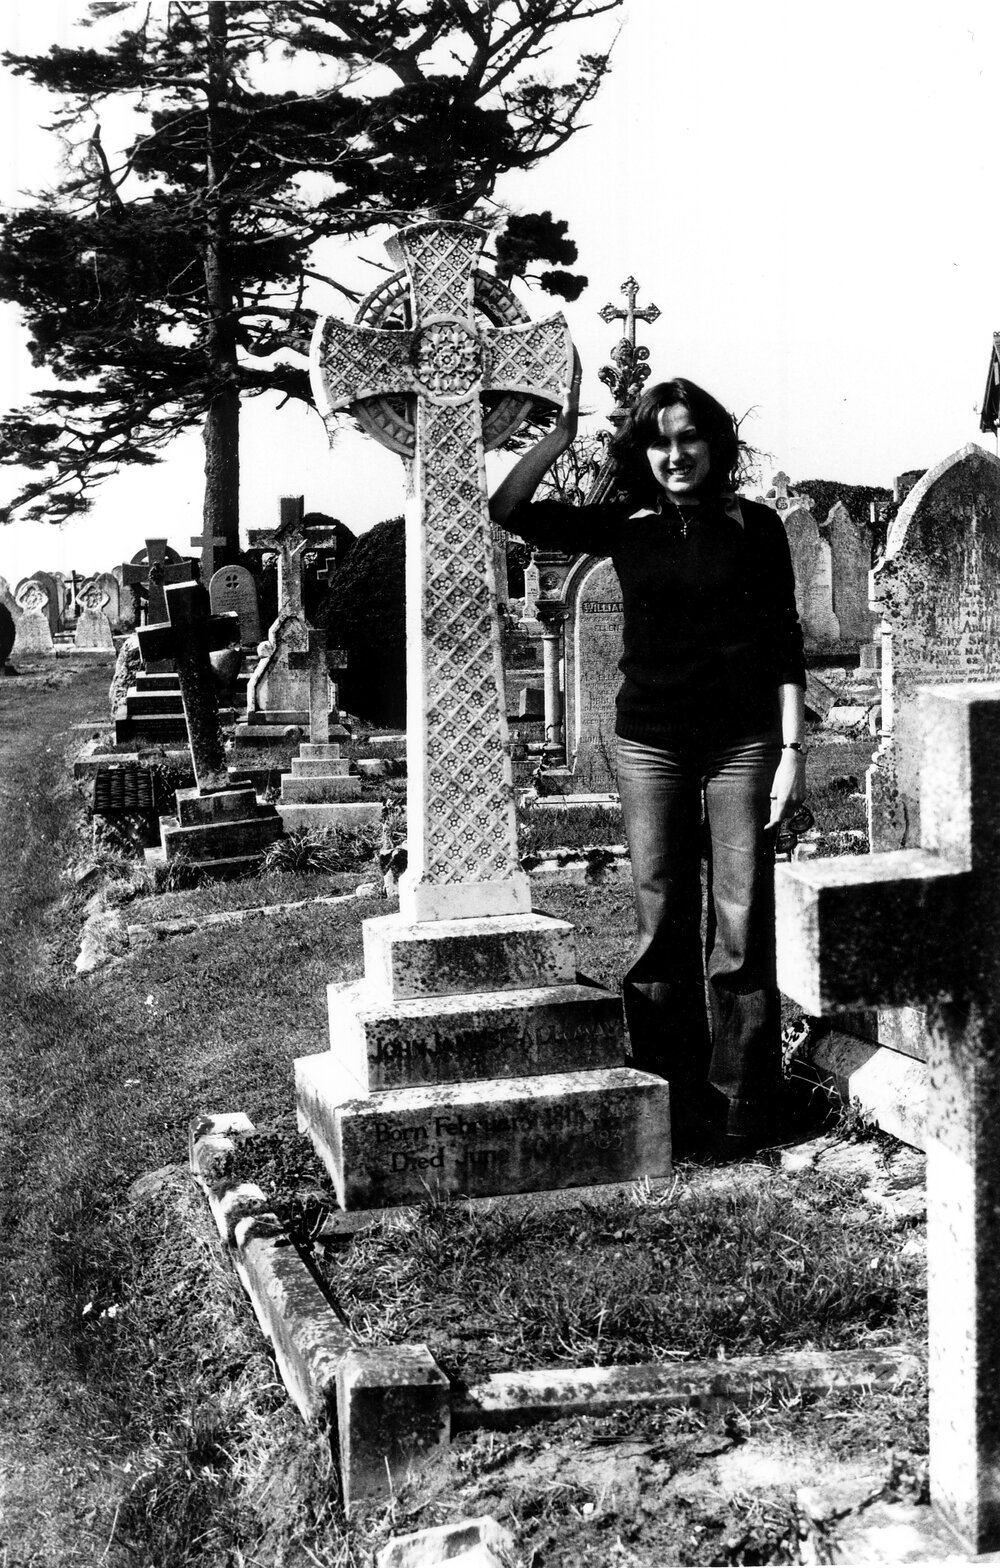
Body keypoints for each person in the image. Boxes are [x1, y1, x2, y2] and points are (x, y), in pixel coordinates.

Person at [490, 360, 807, 1156]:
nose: (676, 455)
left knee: (741, 917)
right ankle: (673, 1103)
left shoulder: (756, 525)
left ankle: (743, 1105)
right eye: (660, 442)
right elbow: (507, 509)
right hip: (650, 742)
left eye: (689, 437)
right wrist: (561, 436)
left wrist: (792, 749)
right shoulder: (624, 523)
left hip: (743, 743)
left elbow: (784, 640)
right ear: (643, 452)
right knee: (661, 915)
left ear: (716, 444)